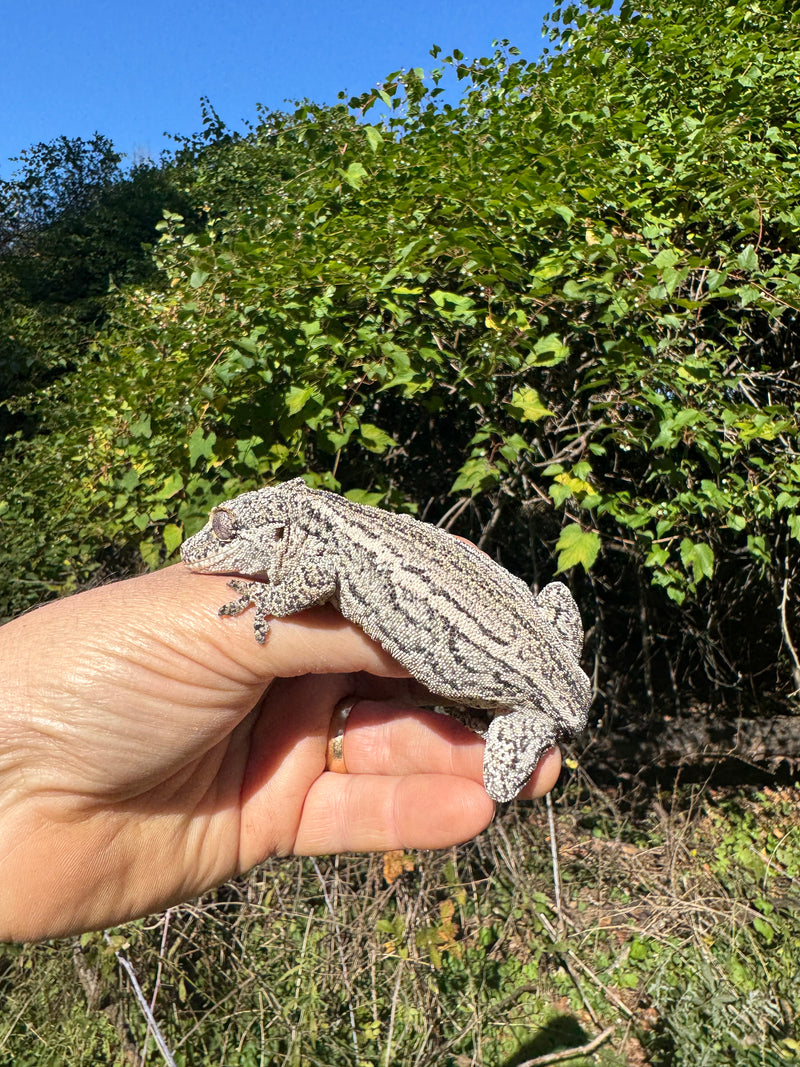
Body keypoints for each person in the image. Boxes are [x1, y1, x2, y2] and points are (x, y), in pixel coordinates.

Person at [0, 565, 561, 942]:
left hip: (529, 690)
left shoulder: (316, 561)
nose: (200, 554)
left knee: (495, 775)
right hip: (520, 685)